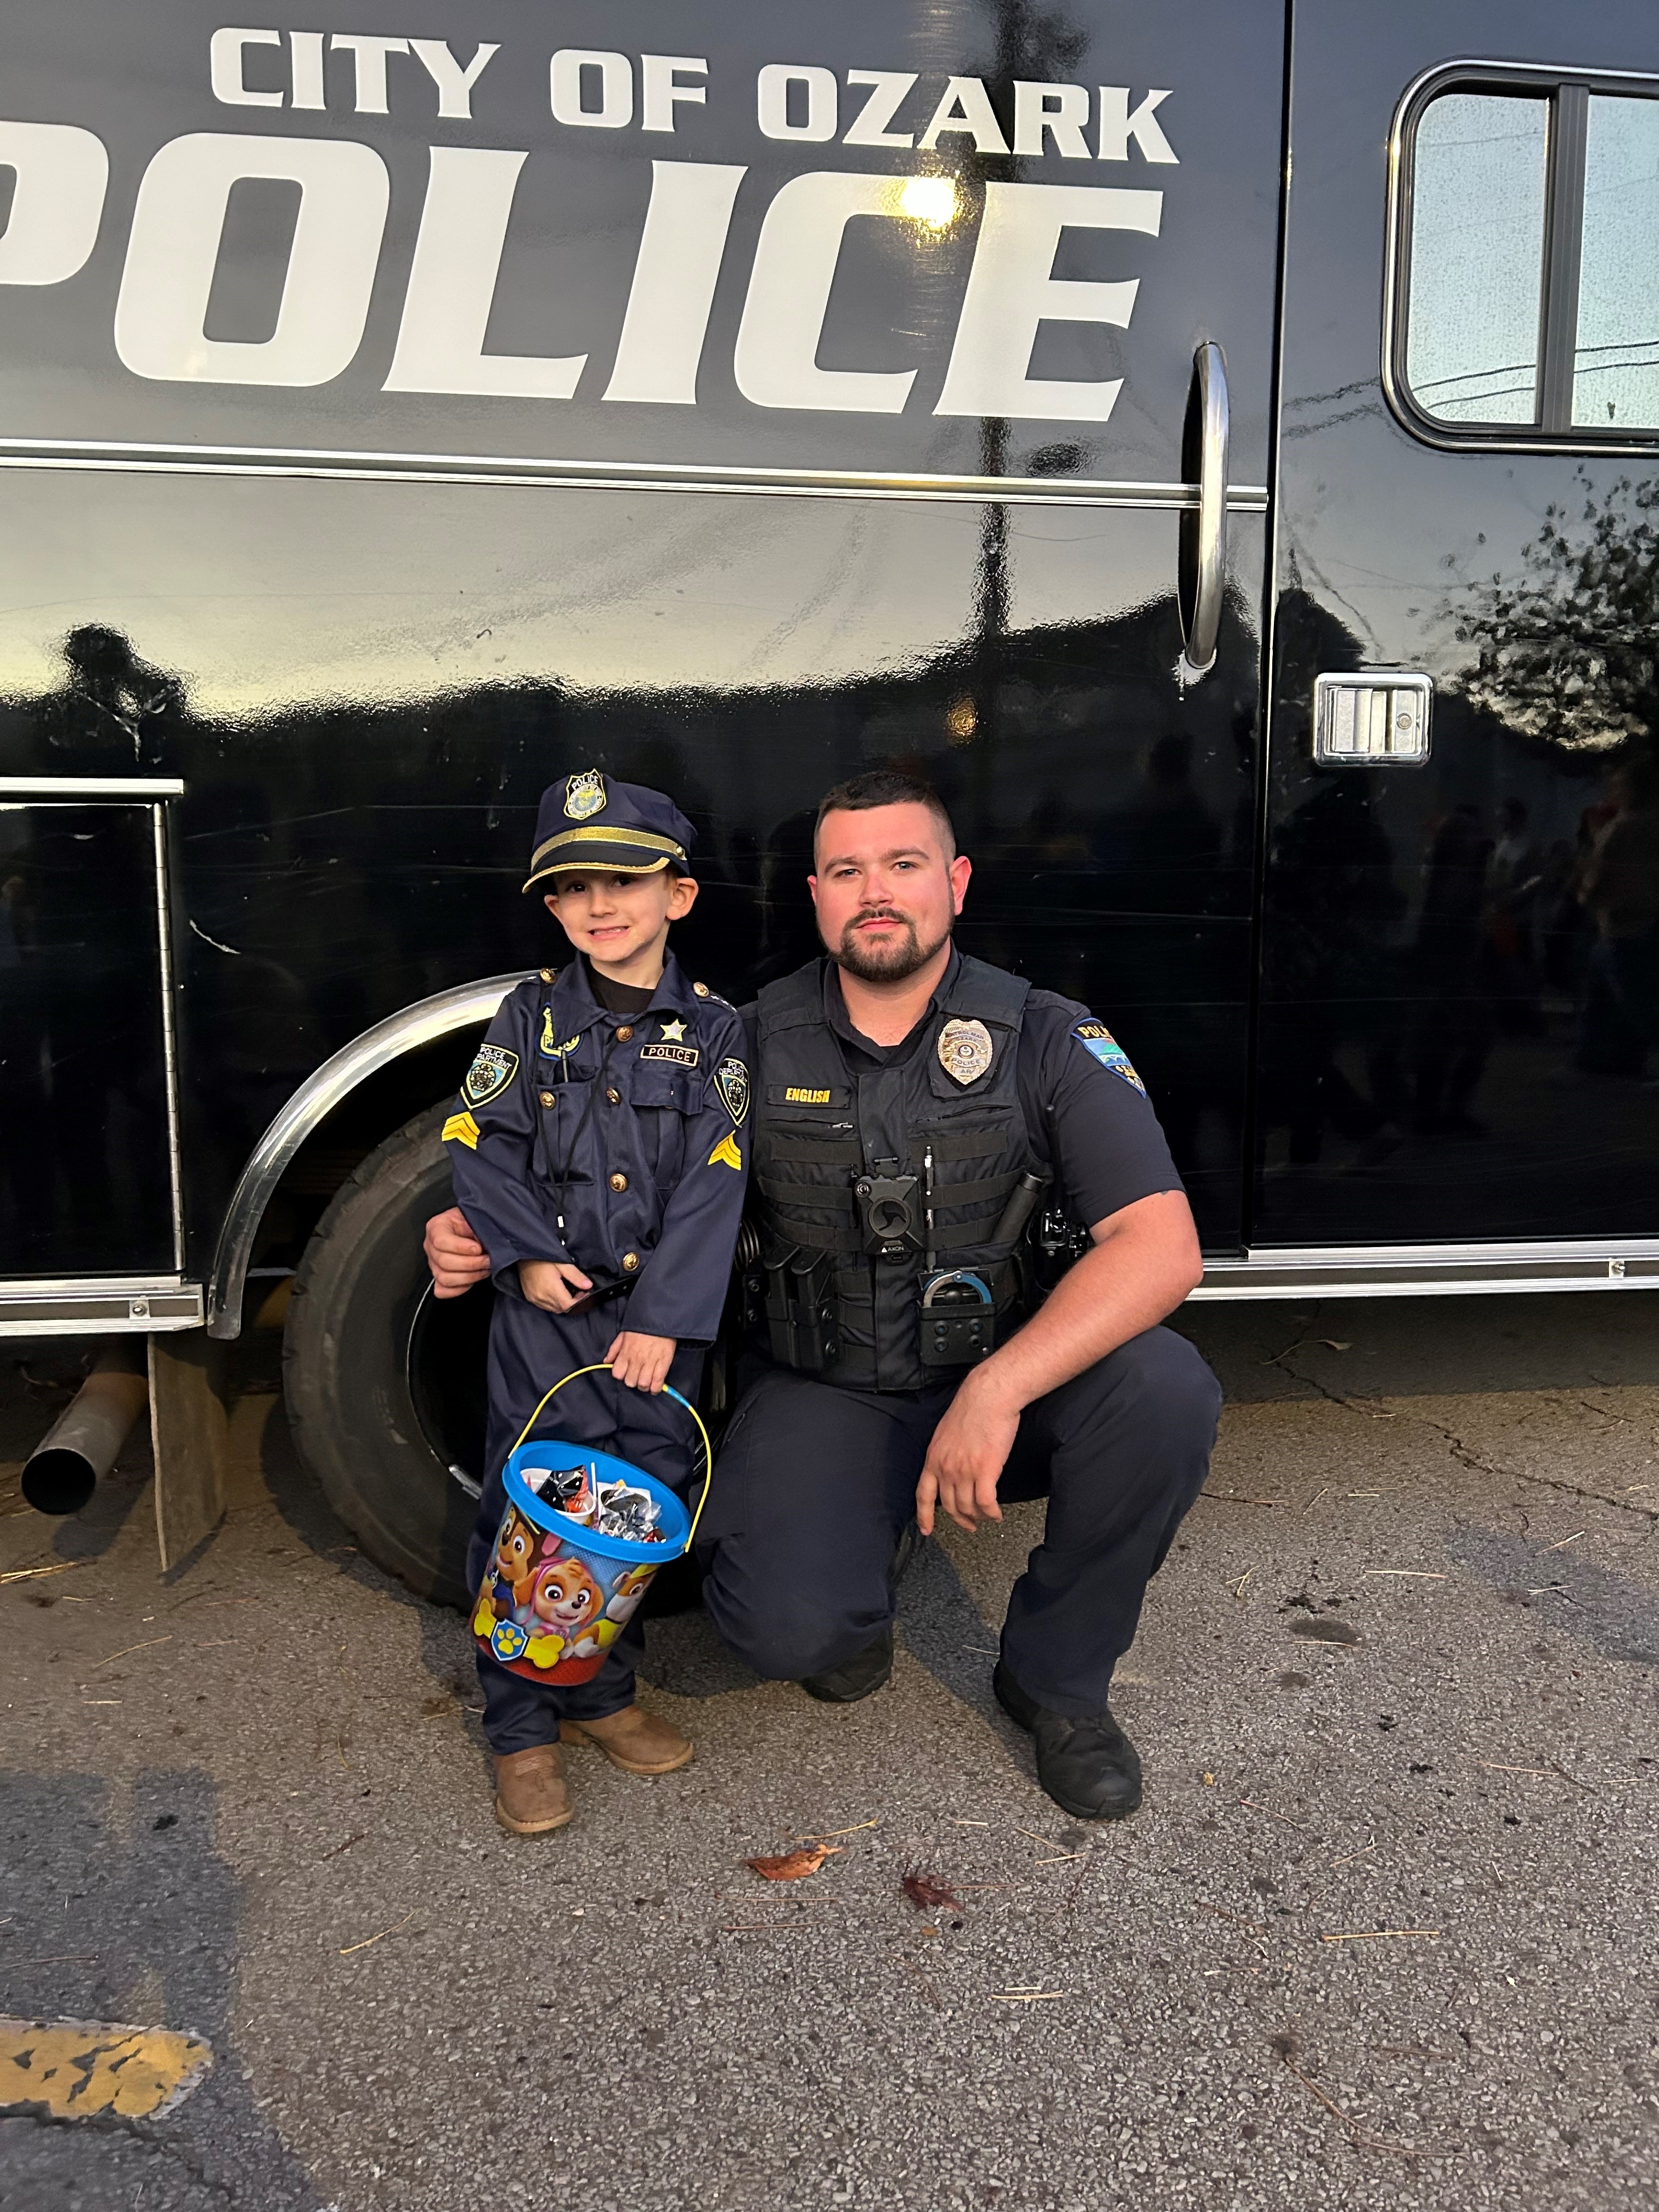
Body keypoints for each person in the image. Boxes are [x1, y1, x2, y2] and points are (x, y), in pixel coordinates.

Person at [428, 769, 1219, 1822]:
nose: (876, 890)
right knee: (792, 1630)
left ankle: (1057, 1682)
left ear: (958, 882)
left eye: (904, 864)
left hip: (1005, 1380)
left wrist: (996, 1390)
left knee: (1165, 1392)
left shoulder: (1046, 1035)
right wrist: (484, 1226)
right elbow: (623, 1170)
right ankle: (851, 1595)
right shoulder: (740, 1039)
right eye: (848, 870)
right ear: (816, 896)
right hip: (829, 1384)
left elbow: (1162, 1250)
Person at [443, 771, 749, 1838]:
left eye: (625, 878)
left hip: (658, 1331)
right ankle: (523, 1724)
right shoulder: (527, 1018)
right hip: (548, 1319)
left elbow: (720, 1177)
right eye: (573, 887)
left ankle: (600, 1690)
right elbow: (480, 1145)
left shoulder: (717, 1036)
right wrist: (523, 1261)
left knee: (630, 1510)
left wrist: (665, 1318)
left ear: (681, 896)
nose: (599, 904)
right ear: (553, 907)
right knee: (536, 1511)